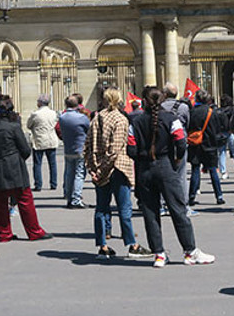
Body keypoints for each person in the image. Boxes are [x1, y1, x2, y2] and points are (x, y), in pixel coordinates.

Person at [128, 86, 215, 268]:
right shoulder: (171, 119)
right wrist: (175, 159)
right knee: (178, 209)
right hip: (165, 165)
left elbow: (131, 149)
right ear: (162, 100)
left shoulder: (135, 121)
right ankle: (190, 251)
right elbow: (181, 142)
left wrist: (142, 159)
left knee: (150, 213)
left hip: (144, 169)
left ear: (144, 101)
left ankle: (159, 254)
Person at [85, 88, 151, 260]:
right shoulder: (120, 119)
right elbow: (114, 151)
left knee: (101, 208)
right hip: (117, 168)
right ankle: (132, 245)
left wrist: (93, 169)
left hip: (99, 169)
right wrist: (103, 169)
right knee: (124, 208)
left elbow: (87, 146)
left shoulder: (95, 118)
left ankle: (103, 246)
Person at [0, 95, 52, 242]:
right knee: (25, 200)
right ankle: (34, 231)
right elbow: (25, 150)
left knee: (0, 203)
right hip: (15, 167)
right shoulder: (14, 127)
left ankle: (4, 233)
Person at [187, 90, 226, 206]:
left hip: (195, 144)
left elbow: (189, 127)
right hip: (210, 145)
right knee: (213, 170)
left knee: (195, 170)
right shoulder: (212, 112)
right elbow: (217, 129)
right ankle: (219, 196)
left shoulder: (192, 112)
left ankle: (192, 196)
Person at [60, 95, 91, 209]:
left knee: (69, 174)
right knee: (79, 174)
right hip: (80, 148)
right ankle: (76, 199)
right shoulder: (81, 118)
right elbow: (89, 130)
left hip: (68, 149)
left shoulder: (62, 117)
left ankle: (69, 197)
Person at [27, 94, 59, 192]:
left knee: (37, 163)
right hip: (51, 139)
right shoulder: (53, 113)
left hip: (39, 140)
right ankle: (53, 183)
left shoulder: (35, 114)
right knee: (52, 163)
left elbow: (29, 125)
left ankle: (38, 184)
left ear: (40, 103)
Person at [217, 94, 234, 180]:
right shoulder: (233, 110)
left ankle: (223, 171)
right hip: (231, 132)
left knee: (222, 152)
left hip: (221, 133)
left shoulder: (218, 111)